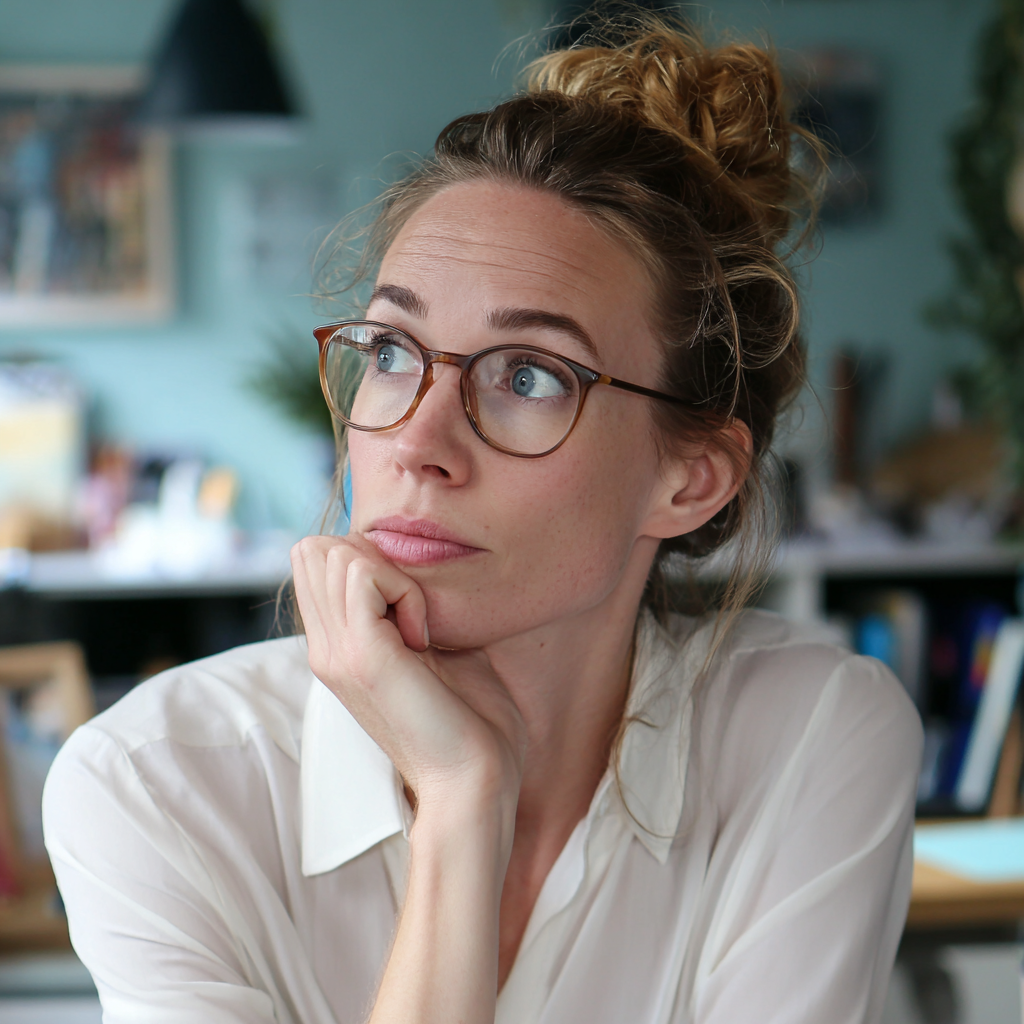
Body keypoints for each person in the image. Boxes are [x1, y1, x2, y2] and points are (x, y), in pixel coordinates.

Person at [43, 14, 921, 1024]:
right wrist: (465, 804)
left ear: (689, 478)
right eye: (390, 352)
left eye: (529, 375)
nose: (417, 441)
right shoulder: (156, 784)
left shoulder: (809, 737)